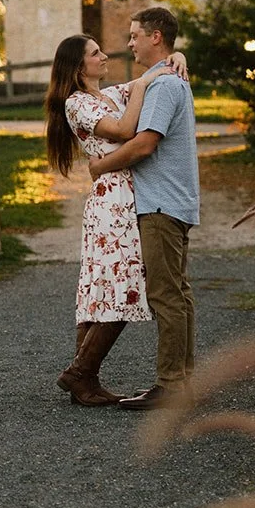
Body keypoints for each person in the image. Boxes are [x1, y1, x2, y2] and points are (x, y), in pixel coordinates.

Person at [44, 34, 185, 405]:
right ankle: (80, 374)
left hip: (126, 193)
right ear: (79, 67)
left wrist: (177, 55)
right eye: (95, 53)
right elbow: (124, 131)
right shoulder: (77, 104)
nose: (104, 55)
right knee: (118, 284)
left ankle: (83, 378)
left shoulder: (111, 95)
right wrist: (142, 83)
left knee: (107, 282)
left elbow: (150, 77)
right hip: (111, 198)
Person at [89, 6, 200, 411]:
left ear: (156, 37)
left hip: (160, 205)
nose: (129, 42)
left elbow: (144, 143)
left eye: (135, 35)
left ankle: (171, 386)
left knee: (166, 296)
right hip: (171, 202)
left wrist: (99, 165)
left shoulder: (164, 87)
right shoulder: (167, 78)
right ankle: (182, 382)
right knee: (179, 294)